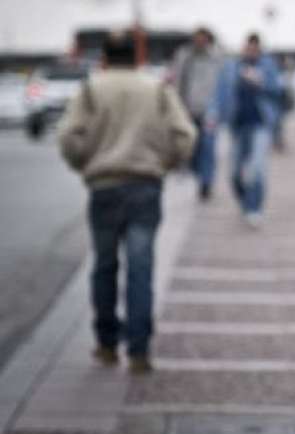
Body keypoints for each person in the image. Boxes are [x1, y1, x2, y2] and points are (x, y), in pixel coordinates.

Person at [57, 32, 196, 373]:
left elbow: (68, 136)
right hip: (145, 186)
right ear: (137, 58)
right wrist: (166, 163)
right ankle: (138, 348)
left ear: (104, 58)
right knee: (141, 267)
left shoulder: (91, 89)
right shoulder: (156, 89)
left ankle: (106, 343)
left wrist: (85, 164)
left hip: (104, 186)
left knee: (104, 265)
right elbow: (185, 135)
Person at [208, 33, 284, 227]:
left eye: (254, 49)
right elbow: (220, 92)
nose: (251, 51)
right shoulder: (232, 66)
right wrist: (214, 113)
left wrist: (261, 82)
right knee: (234, 172)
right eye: (248, 48)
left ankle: (254, 207)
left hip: (260, 123)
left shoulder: (268, 66)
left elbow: (279, 91)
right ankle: (244, 201)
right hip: (237, 124)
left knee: (257, 169)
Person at [170, 27, 224, 201]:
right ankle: (196, 171)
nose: (199, 42)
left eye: (203, 39)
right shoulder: (184, 55)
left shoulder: (217, 57)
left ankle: (206, 183)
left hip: (210, 110)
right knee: (191, 147)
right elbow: (177, 80)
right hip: (187, 108)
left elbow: (222, 84)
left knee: (208, 147)